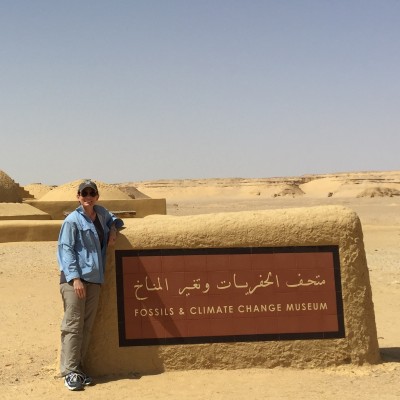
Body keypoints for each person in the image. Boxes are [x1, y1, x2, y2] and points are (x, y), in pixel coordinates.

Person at [57, 179, 124, 391]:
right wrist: (75, 278)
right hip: (75, 280)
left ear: (96, 196)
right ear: (78, 196)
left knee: (86, 328)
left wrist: (113, 229)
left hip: (95, 279)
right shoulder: (72, 221)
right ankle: (69, 372)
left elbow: (115, 219)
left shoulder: (101, 214)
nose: (87, 197)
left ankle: (78, 368)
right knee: (73, 326)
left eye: (91, 194)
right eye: (83, 194)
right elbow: (66, 249)